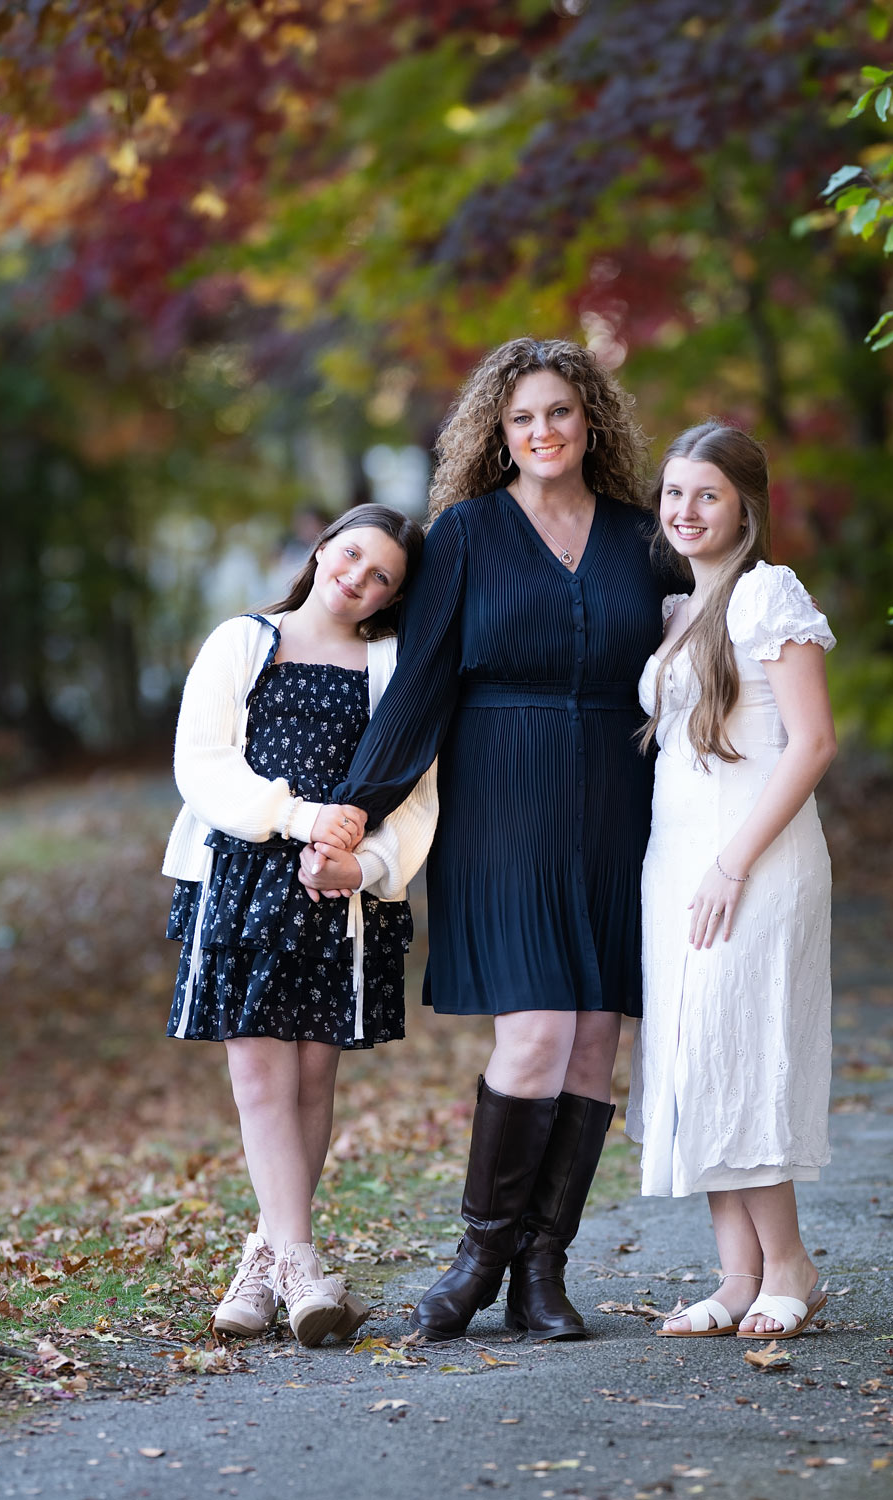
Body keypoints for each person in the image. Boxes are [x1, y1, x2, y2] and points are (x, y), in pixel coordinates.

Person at [300, 338, 665, 1342]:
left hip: (619, 805)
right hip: (502, 801)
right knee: (538, 1031)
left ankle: (541, 1277)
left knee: (594, 1038)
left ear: (591, 420)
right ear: (498, 435)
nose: (542, 432)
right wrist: (350, 813)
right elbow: (419, 688)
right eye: (522, 419)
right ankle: (476, 1264)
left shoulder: (645, 537)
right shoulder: (463, 534)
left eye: (558, 412)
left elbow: (701, 648)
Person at [161, 504, 437, 1347]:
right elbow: (199, 762)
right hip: (245, 880)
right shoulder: (245, 641)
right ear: (322, 550)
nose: (357, 577)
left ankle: (265, 1262)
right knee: (258, 1081)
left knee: (313, 1080)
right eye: (350, 555)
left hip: (336, 894)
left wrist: (368, 865)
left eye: (380, 575)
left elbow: (418, 792)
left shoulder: (393, 668)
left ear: (392, 596)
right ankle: (304, 1268)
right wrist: (297, 817)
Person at [627, 420, 837, 1341]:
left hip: (751, 857)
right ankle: (736, 1275)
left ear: (746, 506)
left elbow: (814, 744)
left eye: (706, 494)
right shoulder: (678, 613)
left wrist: (732, 862)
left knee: (741, 1046)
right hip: (676, 861)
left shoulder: (767, 597)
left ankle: (791, 1265)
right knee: (691, 1056)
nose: (686, 511)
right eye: (674, 493)